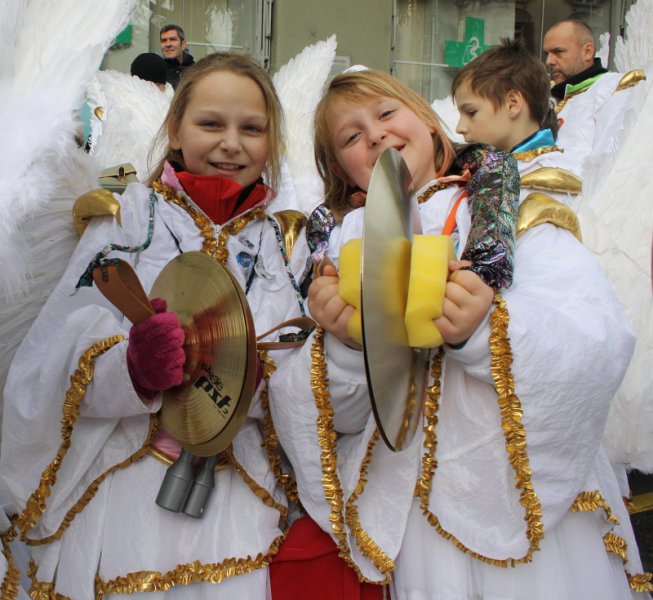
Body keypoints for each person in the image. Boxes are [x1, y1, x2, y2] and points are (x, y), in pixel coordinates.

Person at [268, 67, 653, 598]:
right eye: (351, 136)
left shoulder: (515, 207)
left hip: (526, 503)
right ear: (339, 168)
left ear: (430, 122)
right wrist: (348, 347)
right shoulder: (336, 251)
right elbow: (332, 419)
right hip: (414, 525)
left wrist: (483, 332)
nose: (375, 135)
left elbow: (595, 337)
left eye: (386, 114)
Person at [0, 52, 308, 598]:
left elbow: (301, 370)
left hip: (241, 506)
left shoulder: (280, 243)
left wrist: (257, 383)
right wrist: (132, 369)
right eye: (210, 123)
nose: (231, 143)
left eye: (252, 129)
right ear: (175, 130)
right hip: (126, 497)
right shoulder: (129, 216)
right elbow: (52, 356)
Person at [452, 37, 581, 208]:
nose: (459, 128)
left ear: (512, 104)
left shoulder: (546, 183)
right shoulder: (503, 169)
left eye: (471, 112)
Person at [543, 19, 647, 177]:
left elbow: (609, 162)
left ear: (587, 52)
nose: (549, 61)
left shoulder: (612, 89)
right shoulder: (548, 97)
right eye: (547, 54)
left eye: (558, 52)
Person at [160, 24, 195, 89]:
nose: (168, 44)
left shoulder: (197, 70)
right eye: (164, 41)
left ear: (183, 44)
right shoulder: (155, 71)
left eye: (173, 39)